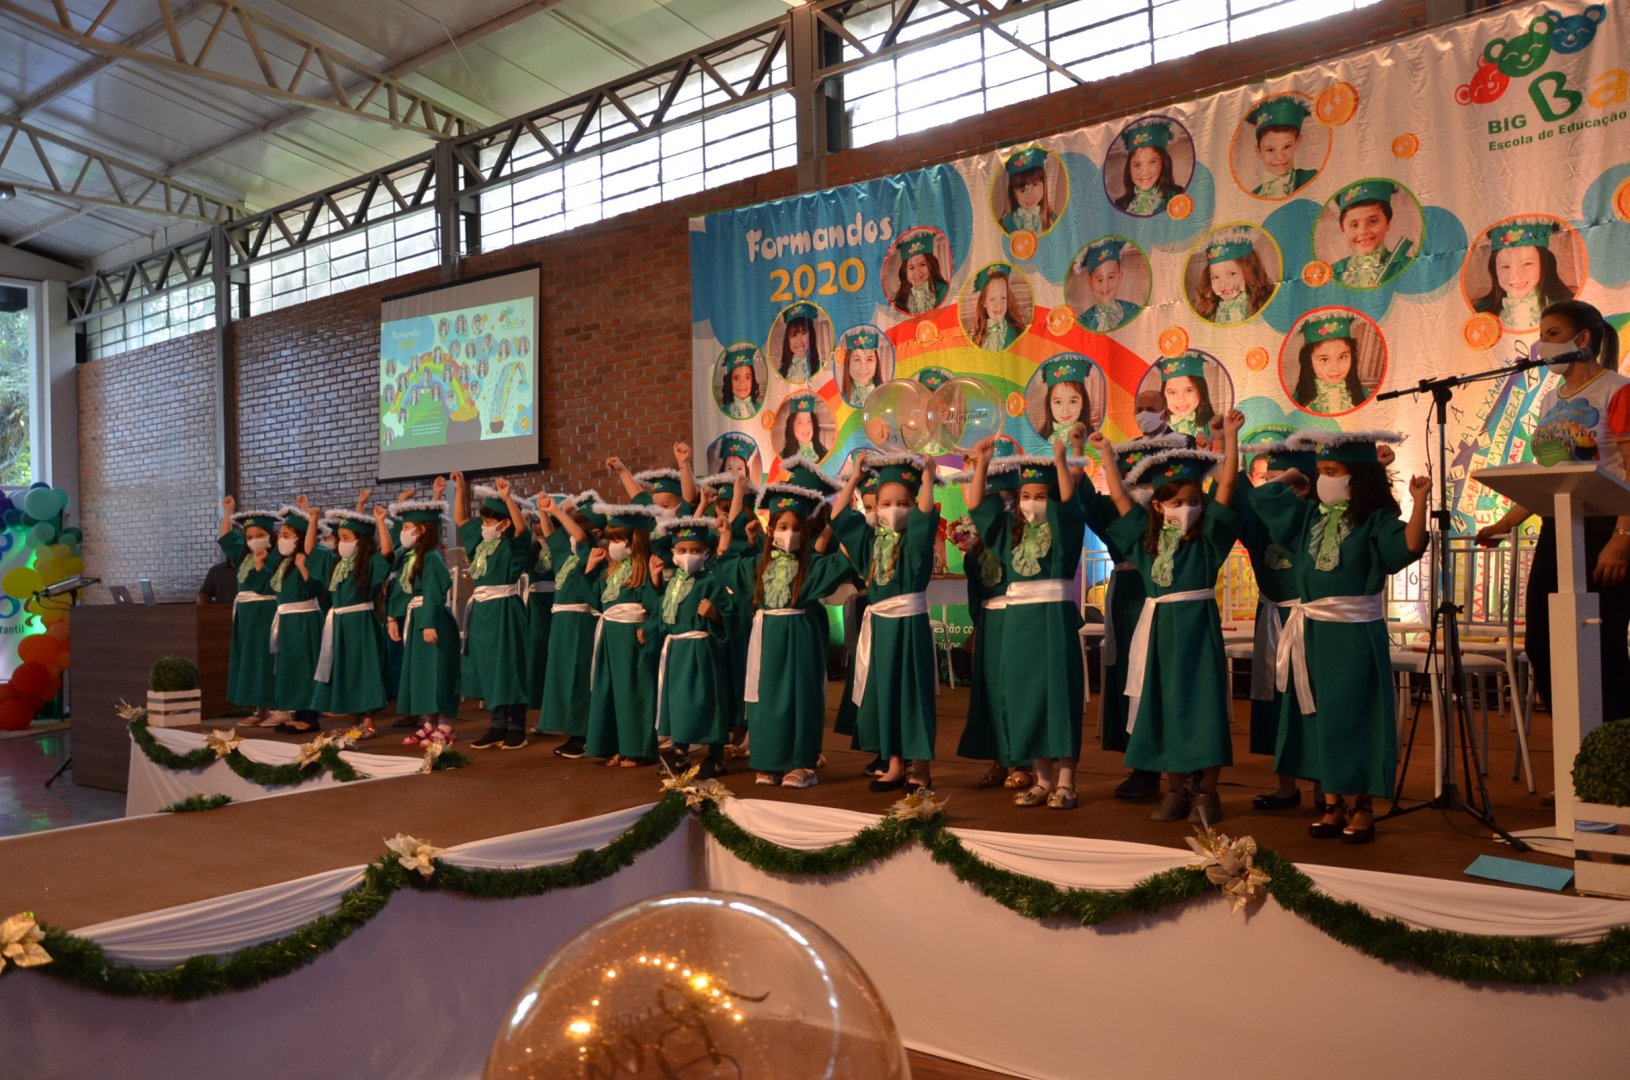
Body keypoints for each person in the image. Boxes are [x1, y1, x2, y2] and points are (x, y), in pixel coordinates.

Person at [1258, 430, 1429, 843]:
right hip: (1314, 632)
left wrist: (1420, 501)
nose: (1324, 480)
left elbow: (1408, 546)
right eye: (1321, 472)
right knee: (1321, 717)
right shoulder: (1310, 517)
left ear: (1357, 476)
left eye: (1332, 472)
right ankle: (1332, 804)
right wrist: (1296, 475)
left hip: (1353, 634)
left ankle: (1363, 807)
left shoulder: (1373, 519)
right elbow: (1264, 499)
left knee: (1356, 716)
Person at [1477, 299, 1630, 723]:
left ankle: (1614, 750)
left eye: (1553, 334)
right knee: (1542, 643)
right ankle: (1574, 746)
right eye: (1541, 335)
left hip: (1606, 529)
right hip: (1559, 528)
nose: (1543, 345)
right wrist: (1505, 523)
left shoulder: (1617, 390)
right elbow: (1550, 476)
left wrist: (1622, 538)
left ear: (1583, 338)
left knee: (1603, 643)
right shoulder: (1549, 400)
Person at [1092, 414, 1243, 825]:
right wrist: (1105, 453)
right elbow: (1120, 498)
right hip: (1159, 635)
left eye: (1193, 502)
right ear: (1158, 506)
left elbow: (1227, 486)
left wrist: (1230, 439)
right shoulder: (1147, 542)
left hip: (1199, 632)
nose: (1186, 509)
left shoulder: (1208, 540)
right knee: (1164, 707)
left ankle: (1207, 793)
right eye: (1175, 503)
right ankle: (1175, 790)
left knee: (1204, 709)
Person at [967, 432, 1089, 810]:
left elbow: (1069, 501)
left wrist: (1062, 458)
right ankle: (1043, 779)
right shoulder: (1009, 533)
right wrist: (982, 463)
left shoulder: (1065, 531)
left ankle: (1066, 782)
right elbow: (976, 505)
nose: (1031, 502)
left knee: (1059, 697)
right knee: (1027, 698)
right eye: (1025, 496)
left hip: (1053, 620)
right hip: (1019, 623)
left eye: (1040, 496)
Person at [714, 474, 849, 788]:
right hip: (767, 637)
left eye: (796, 528)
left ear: (805, 531)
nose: (788, 534)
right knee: (767, 697)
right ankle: (769, 760)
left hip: (800, 635)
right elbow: (729, 566)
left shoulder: (811, 565)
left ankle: (803, 762)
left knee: (801, 696)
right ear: (770, 530)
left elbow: (840, 563)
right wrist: (725, 537)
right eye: (782, 527)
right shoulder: (759, 566)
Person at [831, 452, 941, 793]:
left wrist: (927, 477)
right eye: (886, 504)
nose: (894, 510)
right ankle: (893, 763)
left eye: (903, 503)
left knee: (913, 694)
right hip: (881, 628)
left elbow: (925, 513)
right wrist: (854, 478)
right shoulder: (870, 541)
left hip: (908, 626)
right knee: (886, 693)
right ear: (875, 508)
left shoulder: (915, 539)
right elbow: (838, 516)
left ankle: (920, 769)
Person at [1095, 433, 1192, 800]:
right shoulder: (1124, 515)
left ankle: (1190, 769)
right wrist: (1095, 455)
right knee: (1134, 680)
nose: (1141, 483)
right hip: (1131, 599)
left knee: (1178, 681)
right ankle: (1144, 767)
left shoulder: (1188, 521)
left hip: (1176, 603)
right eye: (1132, 473)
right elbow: (1101, 501)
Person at [1235, 438, 1318, 809]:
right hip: (1272, 616)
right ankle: (1286, 787)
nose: (1275, 486)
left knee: (1309, 700)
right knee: (1278, 702)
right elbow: (1244, 496)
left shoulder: (1314, 518)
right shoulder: (1260, 521)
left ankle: (1324, 789)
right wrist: (1225, 446)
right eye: (1270, 479)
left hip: (1307, 620)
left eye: (1284, 479)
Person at [648, 516, 735, 779]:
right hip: (677, 651)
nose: (689, 556)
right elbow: (664, 613)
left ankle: (716, 755)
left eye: (696, 550)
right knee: (679, 702)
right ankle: (680, 751)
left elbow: (731, 615)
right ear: (673, 553)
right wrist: (655, 583)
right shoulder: (674, 581)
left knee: (706, 700)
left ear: (706, 553)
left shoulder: (711, 581)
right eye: (683, 550)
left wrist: (715, 616)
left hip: (701, 651)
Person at [584, 502, 663, 766]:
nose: (612, 545)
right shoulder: (612, 570)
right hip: (610, 634)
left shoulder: (642, 568)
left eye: (618, 540)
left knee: (632, 692)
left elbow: (655, 606)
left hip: (630, 635)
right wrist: (590, 569)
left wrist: (655, 581)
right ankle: (613, 745)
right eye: (611, 540)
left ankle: (637, 749)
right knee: (609, 690)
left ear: (633, 542)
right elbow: (596, 600)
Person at [458, 476, 534, 751]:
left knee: (509, 665)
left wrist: (507, 498)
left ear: (504, 524)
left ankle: (517, 727)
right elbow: (461, 521)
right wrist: (460, 489)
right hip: (482, 611)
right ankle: (497, 724)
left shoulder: (512, 545)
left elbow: (521, 528)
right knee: (489, 667)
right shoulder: (481, 545)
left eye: (490, 521)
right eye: (484, 520)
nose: (484, 525)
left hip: (505, 610)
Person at [307, 505, 394, 740]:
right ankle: (354, 721)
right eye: (340, 538)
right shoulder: (336, 564)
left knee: (365, 669)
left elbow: (387, 551)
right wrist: (313, 520)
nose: (342, 543)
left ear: (360, 542)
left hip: (362, 623)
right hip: (340, 624)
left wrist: (380, 522)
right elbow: (310, 551)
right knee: (346, 670)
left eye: (347, 538)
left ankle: (369, 721)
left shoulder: (368, 564)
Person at [390, 483, 462, 747]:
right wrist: (392, 617)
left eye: (408, 527)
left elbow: (434, 590)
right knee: (421, 672)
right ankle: (428, 723)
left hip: (433, 620)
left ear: (422, 530)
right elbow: (401, 590)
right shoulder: (410, 557)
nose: (403, 532)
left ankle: (445, 724)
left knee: (438, 672)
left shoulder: (431, 557)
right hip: (417, 618)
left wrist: (429, 623)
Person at [534, 492, 605, 756]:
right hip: (562, 622)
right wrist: (543, 512)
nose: (570, 535)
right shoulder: (568, 555)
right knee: (563, 675)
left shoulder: (593, 553)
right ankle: (571, 729)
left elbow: (582, 537)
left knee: (579, 676)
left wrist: (557, 511)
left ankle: (584, 733)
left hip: (581, 621)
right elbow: (551, 535)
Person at [219, 499, 282, 726]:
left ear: (270, 535)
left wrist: (260, 564)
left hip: (265, 612)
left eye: (259, 535)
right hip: (246, 615)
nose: (254, 540)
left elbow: (271, 584)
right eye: (249, 536)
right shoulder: (244, 556)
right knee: (249, 659)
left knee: (266, 658)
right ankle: (260, 709)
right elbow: (227, 538)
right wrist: (228, 511)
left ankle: (277, 707)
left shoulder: (277, 556)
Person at [267, 499, 325, 735]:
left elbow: (317, 586)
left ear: (299, 538)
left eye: (287, 535)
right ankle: (297, 713)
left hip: (304, 619)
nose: (281, 538)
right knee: (291, 668)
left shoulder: (307, 558)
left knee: (306, 667)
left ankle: (310, 717)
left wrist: (303, 568)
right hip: (287, 620)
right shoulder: (284, 561)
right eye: (281, 534)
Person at [1472, 219, 1575, 330]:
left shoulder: (1571, 307)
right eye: (1505, 267)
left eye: (1527, 264)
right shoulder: (1478, 312)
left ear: (1544, 264)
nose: (1516, 277)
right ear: (1495, 270)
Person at [1329, 180, 1414, 289]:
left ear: (1388, 222)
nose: (1363, 231)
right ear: (1342, 228)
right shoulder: (1332, 274)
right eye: (1354, 225)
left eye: (1373, 221)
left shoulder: (1407, 266)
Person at [1293, 313, 1371, 414]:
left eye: (1342, 357)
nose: (1335, 368)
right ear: (1309, 361)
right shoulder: (1297, 402)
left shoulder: (1365, 396)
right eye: (1324, 359)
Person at [1194, 229, 1273, 325]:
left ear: (1250, 272)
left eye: (1232, 274)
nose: (1223, 285)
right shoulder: (1210, 311)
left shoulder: (1261, 304)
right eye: (1215, 277)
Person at [1246, 95, 1317, 199]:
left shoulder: (1311, 178)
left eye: (1287, 147)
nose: (1280, 157)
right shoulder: (1255, 195)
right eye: (1270, 150)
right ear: (1259, 151)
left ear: (1297, 142)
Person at [1114, 118, 1183, 216]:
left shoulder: (1178, 197)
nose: (1144, 172)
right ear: (1129, 168)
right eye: (1137, 165)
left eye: (1152, 162)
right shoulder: (1121, 205)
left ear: (1164, 163)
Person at [1074, 239, 1142, 333]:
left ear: (1119, 277)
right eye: (1100, 280)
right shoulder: (1083, 321)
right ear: (1090, 282)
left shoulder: (1134, 311)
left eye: (1111, 277)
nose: (1105, 285)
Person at [969, 263, 1026, 352]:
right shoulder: (974, 337)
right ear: (984, 302)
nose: (998, 305)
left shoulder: (1019, 333)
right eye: (992, 299)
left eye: (1003, 298)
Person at [1038, 353, 1093, 445]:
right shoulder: (1040, 439)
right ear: (1049, 404)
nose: (1065, 411)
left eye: (1073, 401)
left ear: (1083, 403)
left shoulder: (1093, 437)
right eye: (1058, 402)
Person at [997, 147, 1055, 234]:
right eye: (1022, 190)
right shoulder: (1005, 224)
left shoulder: (1052, 219)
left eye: (1035, 185)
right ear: (1014, 193)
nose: (1029, 194)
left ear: (1044, 184)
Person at [1158, 353, 1216, 437]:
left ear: (1201, 390)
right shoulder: (1156, 428)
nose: (1181, 399)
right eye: (1172, 392)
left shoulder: (1214, 426)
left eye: (1189, 390)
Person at [892, 230, 949, 314]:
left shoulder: (944, 291)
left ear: (931, 265)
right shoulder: (900, 301)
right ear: (905, 271)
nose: (917, 272)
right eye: (911, 268)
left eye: (922, 264)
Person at [840, 327, 883, 408]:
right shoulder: (838, 400)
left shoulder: (886, 396)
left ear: (877, 362)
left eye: (869, 359)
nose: (863, 367)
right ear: (848, 363)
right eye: (857, 359)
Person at [777, 302, 820, 382]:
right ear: (788, 339)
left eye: (804, 333)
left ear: (811, 335)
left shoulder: (821, 368)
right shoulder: (781, 372)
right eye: (794, 335)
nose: (799, 341)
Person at [778, 395, 829, 461]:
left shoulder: (825, 453)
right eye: (800, 422)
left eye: (809, 421)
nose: (805, 427)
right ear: (791, 427)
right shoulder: (781, 457)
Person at [719, 344, 763, 419]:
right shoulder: (725, 411)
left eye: (747, 377)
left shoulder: (759, 408)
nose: (742, 383)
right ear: (730, 382)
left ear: (752, 380)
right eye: (736, 378)